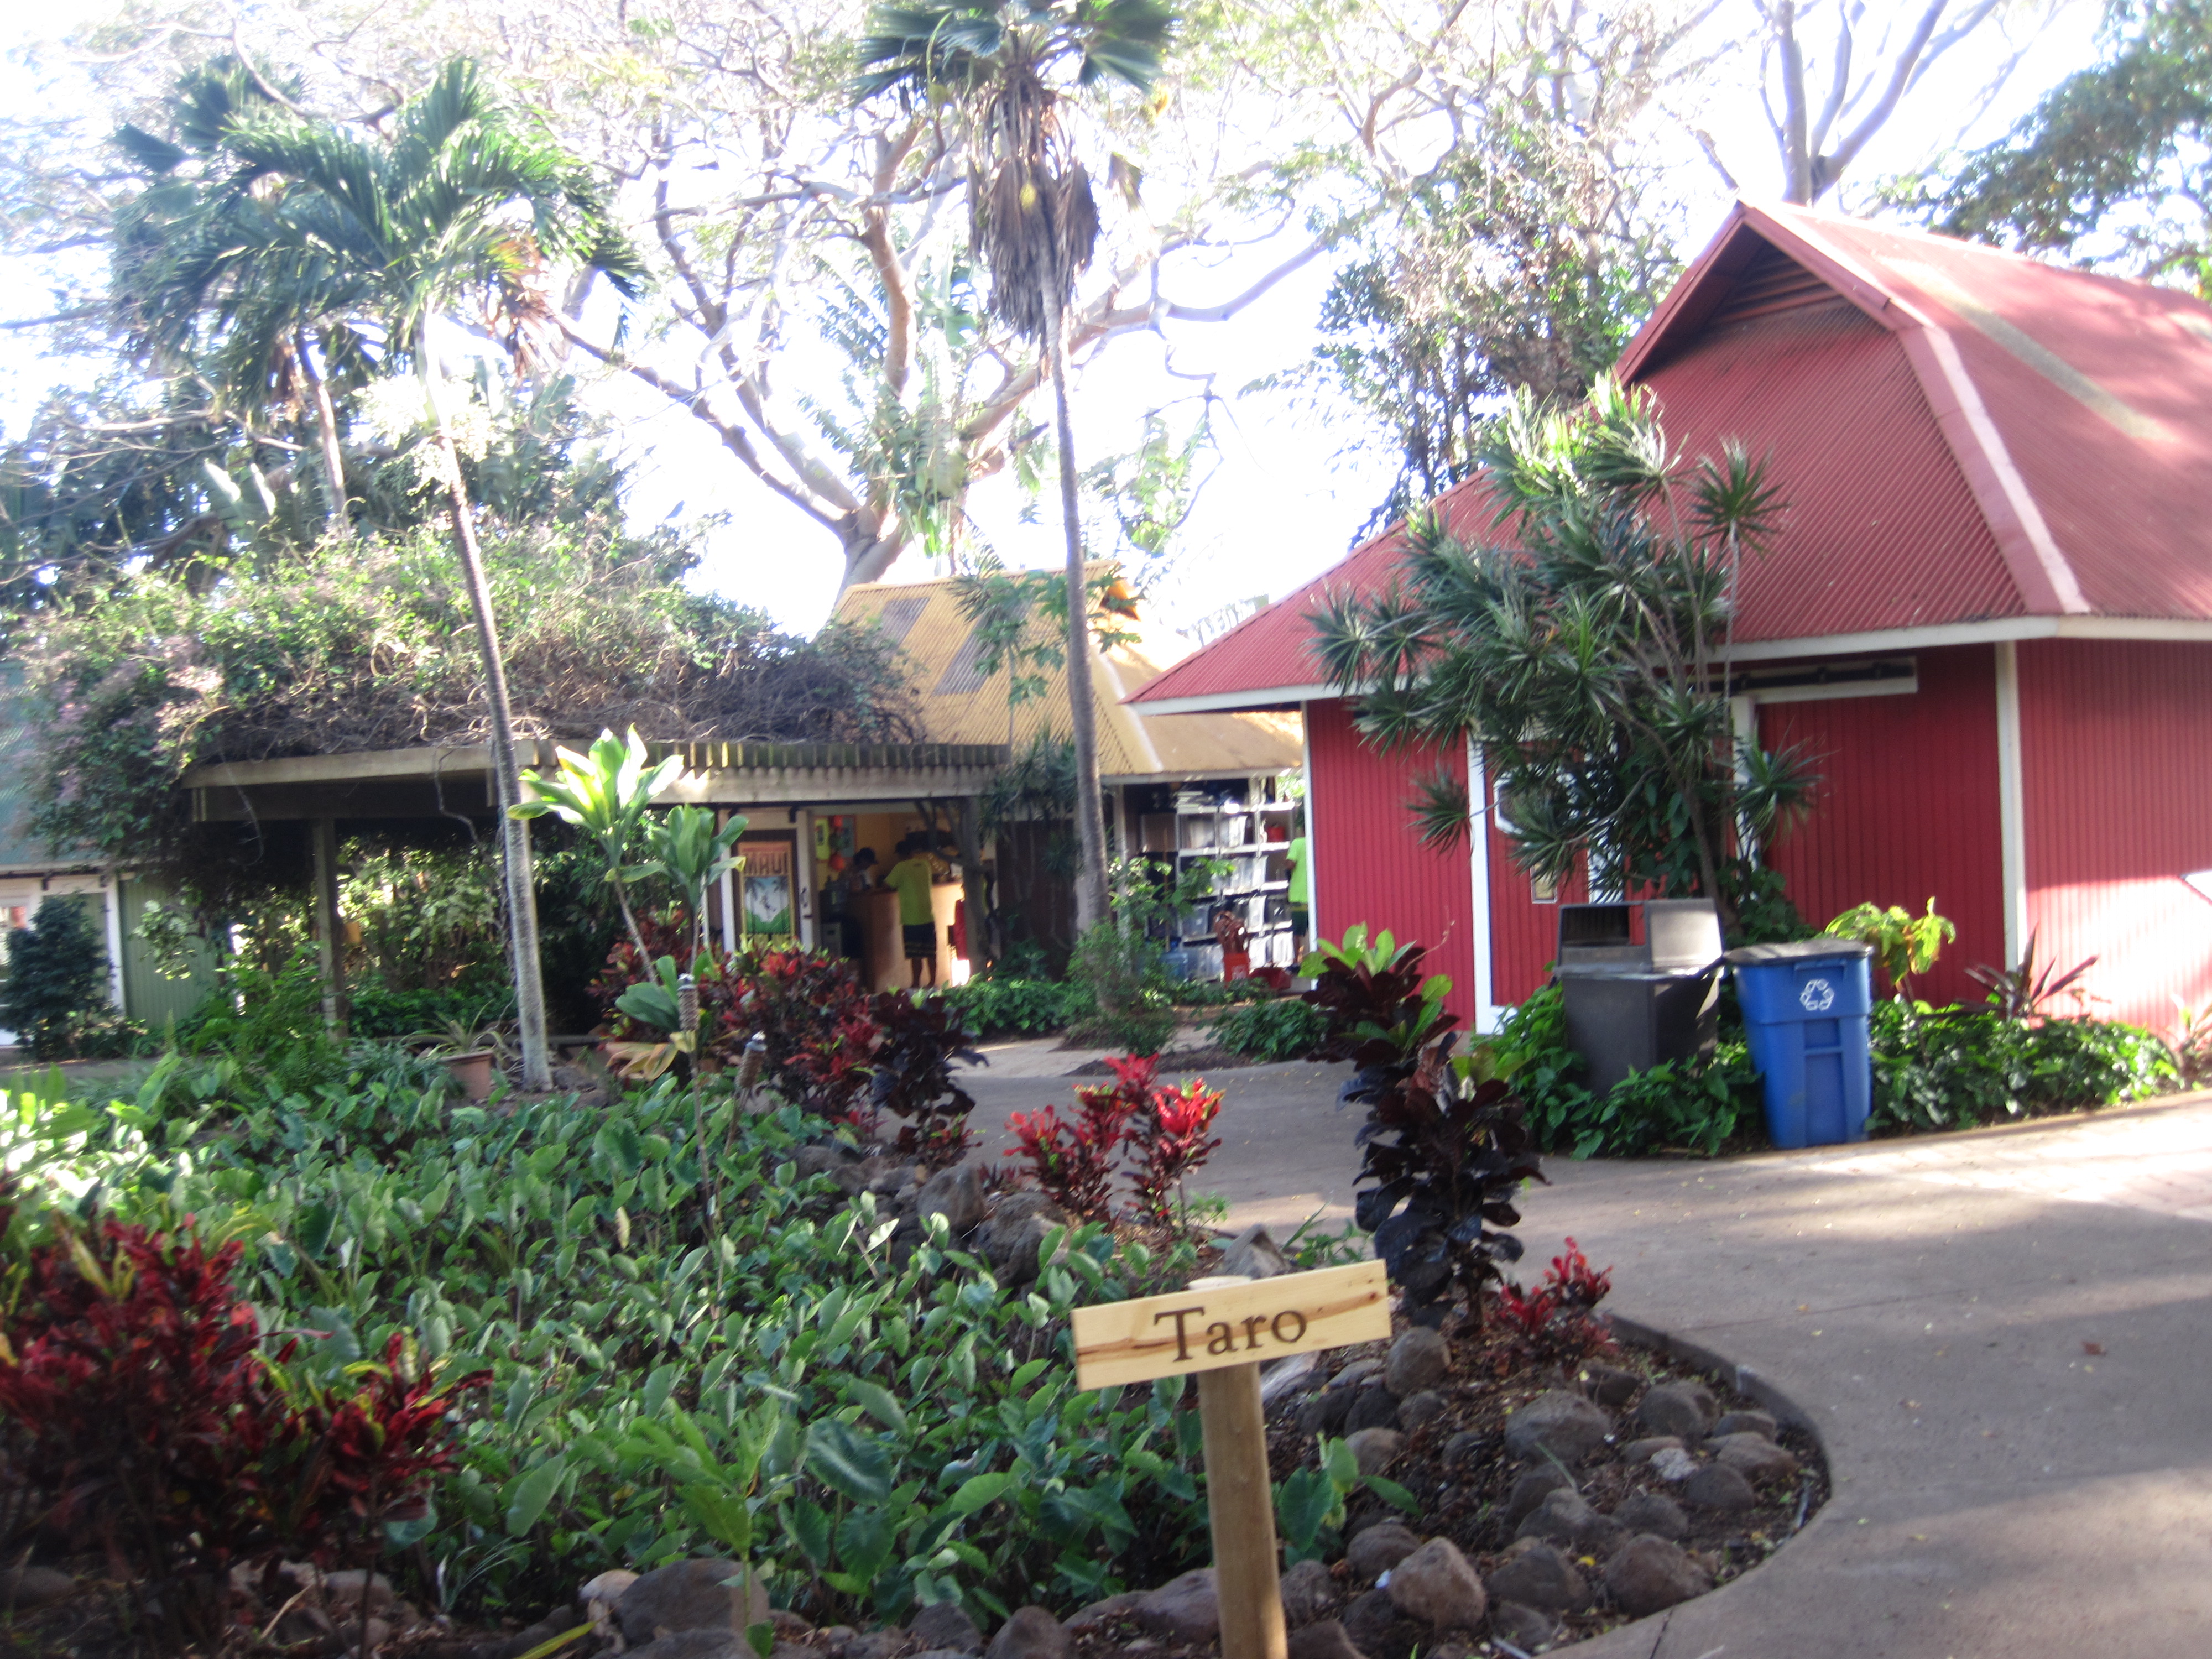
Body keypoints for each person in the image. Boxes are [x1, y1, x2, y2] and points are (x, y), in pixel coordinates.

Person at [882, 836, 941, 988]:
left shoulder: (901, 867)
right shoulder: (925, 865)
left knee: (916, 955)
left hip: (911, 919)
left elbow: (887, 885)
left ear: (900, 855)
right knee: (930, 953)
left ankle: (916, 984)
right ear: (912, 852)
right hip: (928, 916)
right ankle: (933, 983)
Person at [1285, 818, 1310, 956]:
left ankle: (1297, 961)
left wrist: (1285, 861)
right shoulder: (1320, 841)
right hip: (1316, 898)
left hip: (1299, 897)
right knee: (1317, 930)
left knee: (1297, 933)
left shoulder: (1298, 843)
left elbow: (1291, 864)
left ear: (1302, 830)